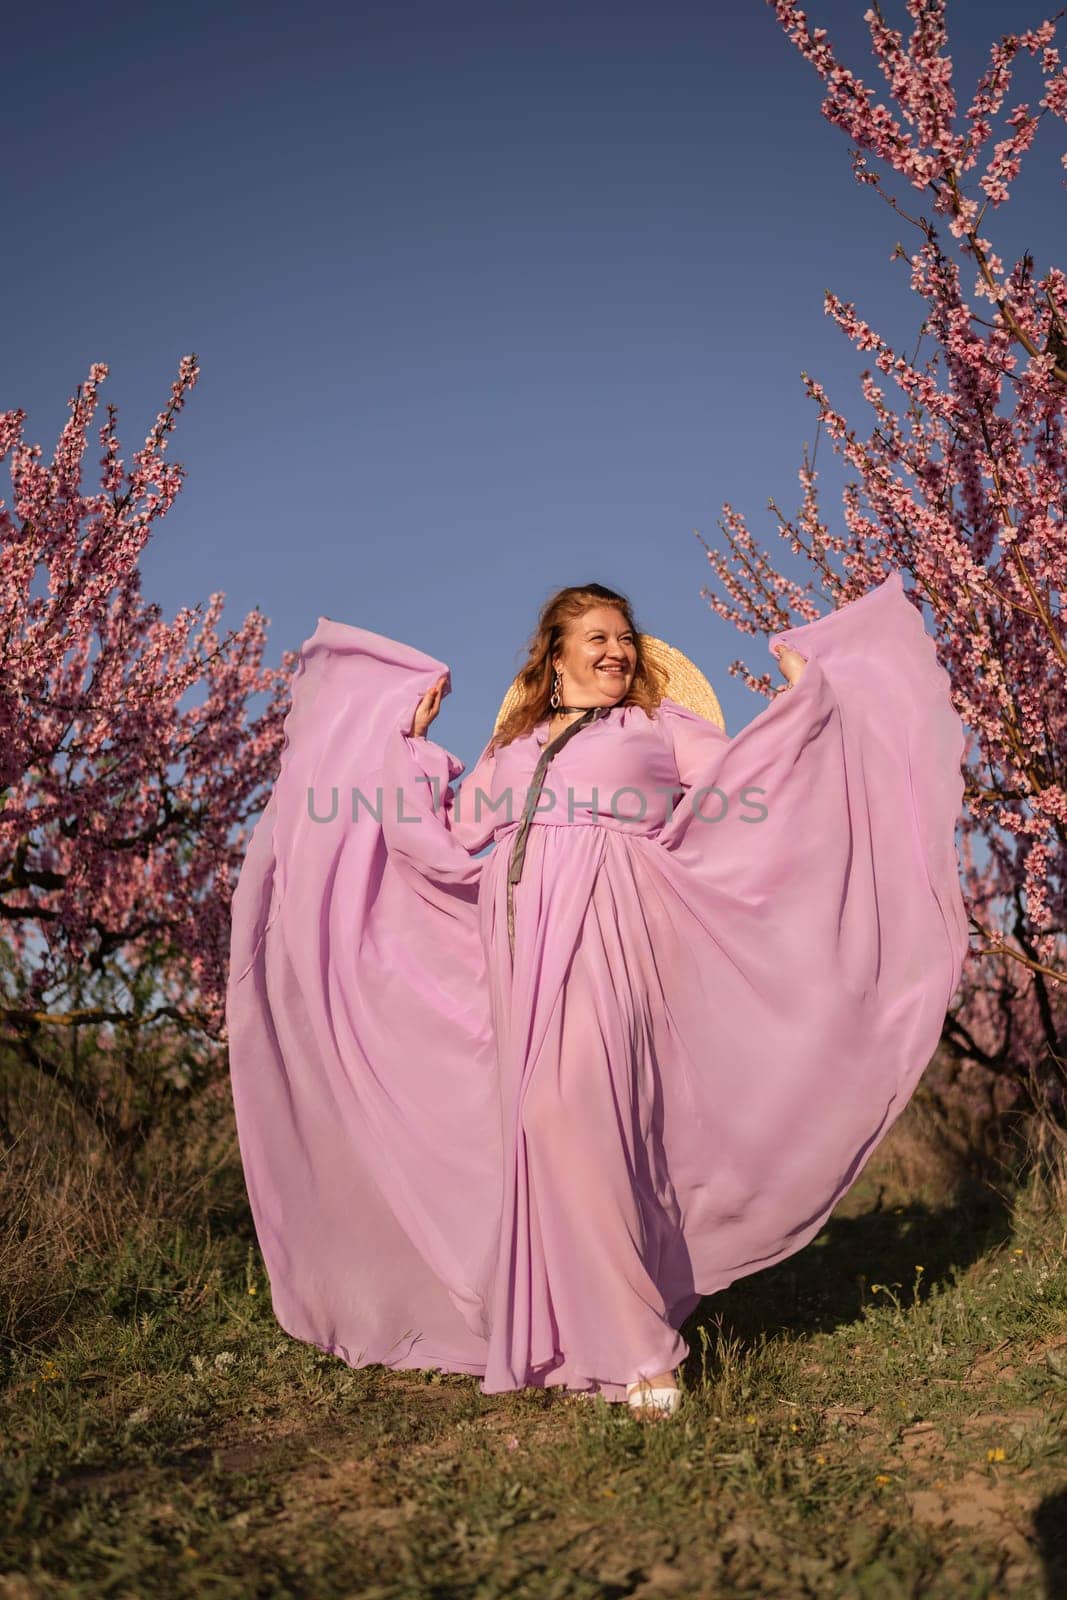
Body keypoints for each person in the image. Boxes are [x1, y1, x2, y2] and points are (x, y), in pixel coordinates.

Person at [226, 568, 969, 1421]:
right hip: (516, 946)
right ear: (555, 656)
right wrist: (401, 747)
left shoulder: (660, 727)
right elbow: (445, 840)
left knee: (573, 1112)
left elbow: (750, 793)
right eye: (597, 639)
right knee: (538, 1131)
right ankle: (568, 1335)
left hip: (614, 930)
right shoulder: (508, 750)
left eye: (624, 638)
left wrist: (810, 714)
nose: (616, 650)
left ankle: (642, 1350)